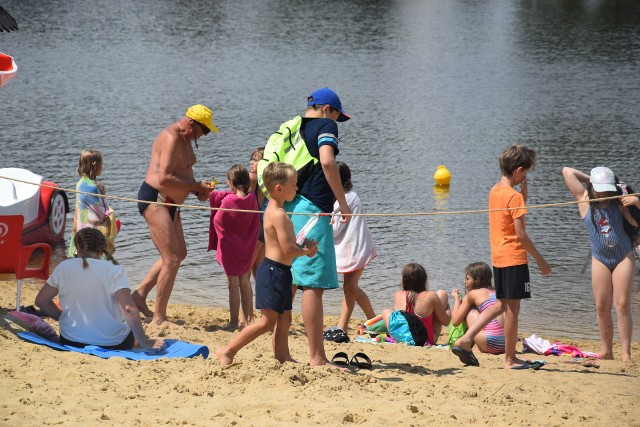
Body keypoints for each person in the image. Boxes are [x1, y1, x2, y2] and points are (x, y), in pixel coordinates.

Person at [452, 144, 551, 370]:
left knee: (499, 305)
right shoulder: (513, 197)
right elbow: (521, 235)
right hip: (514, 258)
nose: (524, 177)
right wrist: (540, 260)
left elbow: (508, 217)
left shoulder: (495, 190)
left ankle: (466, 339)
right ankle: (510, 359)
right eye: (524, 173)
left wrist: (523, 194)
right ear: (517, 170)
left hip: (498, 257)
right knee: (512, 311)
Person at [216, 162, 318, 366]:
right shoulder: (278, 215)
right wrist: (306, 250)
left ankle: (283, 356)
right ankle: (227, 350)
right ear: (279, 188)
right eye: (294, 185)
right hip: (272, 272)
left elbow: (287, 246)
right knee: (267, 321)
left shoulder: (277, 210)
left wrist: (302, 246)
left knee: (285, 319)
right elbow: (288, 249)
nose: (297, 188)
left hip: (282, 271)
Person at [279, 87, 353, 368]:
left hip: (292, 206)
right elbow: (327, 161)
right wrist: (342, 204)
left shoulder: (294, 127)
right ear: (326, 109)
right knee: (312, 285)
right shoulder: (325, 125)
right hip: (312, 209)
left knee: (293, 280)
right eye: (336, 113)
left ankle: (282, 350)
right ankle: (317, 357)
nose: (336, 120)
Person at [131, 104, 217, 326]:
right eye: (203, 130)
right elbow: (165, 178)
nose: (204, 135)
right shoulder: (171, 137)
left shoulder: (186, 139)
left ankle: (139, 295)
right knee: (171, 259)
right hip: (156, 200)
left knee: (180, 253)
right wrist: (195, 185)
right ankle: (159, 318)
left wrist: (197, 190)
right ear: (191, 123)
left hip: (171, 203)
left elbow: (181, 175)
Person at [35, 228, 163, 350]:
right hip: (113, 343)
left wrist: (63, 317)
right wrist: (145, 342)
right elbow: (128, 309)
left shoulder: (64, 267)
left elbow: (41, 301)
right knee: (131, 330)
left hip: (71, 340)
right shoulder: (115, 270)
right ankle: (137, 339)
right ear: (102, 250)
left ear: (78, 247)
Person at [562, 166, 638, 361]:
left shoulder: (619, 201)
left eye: (607, 190)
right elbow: (567, 171)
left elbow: (637, 224)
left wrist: (636, 203)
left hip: (623, 256)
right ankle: (607, 351)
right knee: (601, 306)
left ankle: (626, 353)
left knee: (621, 304)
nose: (603, 194)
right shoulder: (584, 199)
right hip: (599, 259)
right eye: (600, 189)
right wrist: (591, 180)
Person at [208, 164, 260, 330]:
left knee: (233, 284)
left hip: (231, 247)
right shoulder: (252, 198)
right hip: (246, 246)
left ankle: (233, 321)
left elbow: (218, 220)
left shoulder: (229, 200)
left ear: (231, 181)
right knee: (244, 281)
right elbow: (255, 222)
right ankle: (248, 321)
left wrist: (227, 232)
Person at [332, 161, 376, 332]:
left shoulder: (345, 200)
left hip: (356, 249)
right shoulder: (350, 196)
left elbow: (336, 229)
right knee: (348, 287)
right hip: (355, 248)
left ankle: (373, 320)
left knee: (351, 286)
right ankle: (342, 326)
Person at [381, 263, 451, 346]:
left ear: (404, 280)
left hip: (402, 338)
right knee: (442, 294)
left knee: (386, 311)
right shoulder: (431, 296)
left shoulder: (398, 295)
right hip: (424, 340)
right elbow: (446, 322)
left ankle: (395, 337)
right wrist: (447, 307)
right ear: (424, 280)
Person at [68, 149, 117, 257]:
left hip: (81, 228)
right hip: (91, 233)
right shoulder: (91, 187)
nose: (102, 167)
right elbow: (99, 213)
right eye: (101, 164)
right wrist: (110, 214)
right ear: (94, 166)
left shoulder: (81, 182)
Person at [451, 262, 505, 355]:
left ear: (477, 280)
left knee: (468, 309)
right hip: (508, 344)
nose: (465, 282)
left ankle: (471, 343)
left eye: (467, 279)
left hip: (492, 343)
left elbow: (455, 321)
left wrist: (457, 301)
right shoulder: (497, 292)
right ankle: (479, 345)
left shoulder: (473, 294)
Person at [249, 147, 266, 283]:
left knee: (244, 273)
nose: (251, 163)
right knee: (259, 273)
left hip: (254, 229)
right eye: (251, 160)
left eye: (255, 160)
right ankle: (264, 304)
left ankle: (246, 304)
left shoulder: (252, 178)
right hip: (265, 229)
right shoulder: (270, 181)